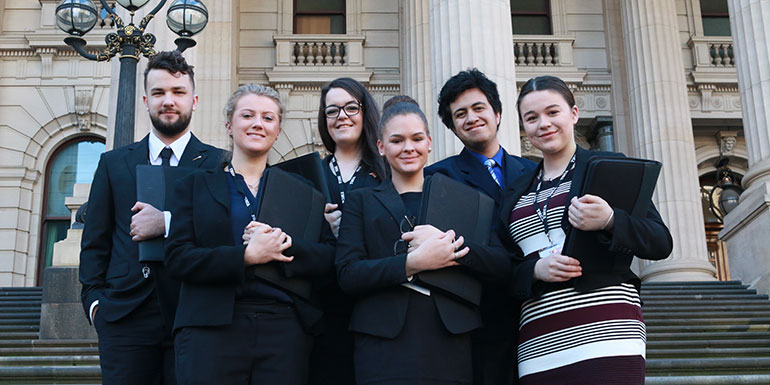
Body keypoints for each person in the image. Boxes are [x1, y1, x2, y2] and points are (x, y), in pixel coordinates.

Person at [503, 75, 673, 384]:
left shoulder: (610, 166)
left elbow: (660, 242)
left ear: (574, 114)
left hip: (607, 327)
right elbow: (504, 265)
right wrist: (535, 271)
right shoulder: (515, 192)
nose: (543, 123)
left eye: (553, 112)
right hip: (538, 336)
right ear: (524, 127)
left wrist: (611, 220)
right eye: (532, 117)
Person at [164, 84, 335, 385]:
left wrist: (285, 245)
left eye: (268, 118)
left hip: (284, 329)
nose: (258, 123)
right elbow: (178, 258)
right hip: (211, 329)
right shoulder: (194, 185)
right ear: (230, 125)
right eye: (248, 115)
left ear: (278, 129)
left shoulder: (302, 189)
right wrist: (244, 257)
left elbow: (328, 257)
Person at [335, 101, 510, 385]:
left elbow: (500, 265)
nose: (408, 148)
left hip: (450, 340)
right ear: (381, 146)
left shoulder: (464, 198)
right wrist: (411, 264)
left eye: (417, 139)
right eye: (397, 140)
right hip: (383, 344)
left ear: (429, 142)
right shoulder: (361, 200)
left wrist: (452, 249)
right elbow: (347, 274)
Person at [79, 50, 224, 385]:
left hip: (194, 315)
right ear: (145, 100)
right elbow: (95, 243)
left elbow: (222, 234)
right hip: (124, 318)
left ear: (195, 100)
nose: (168, 101)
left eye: (178, 92)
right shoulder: (114, 164)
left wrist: (167, 222)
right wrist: (96, 304)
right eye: (159, 93)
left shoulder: (218, 164)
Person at [425, 68, 537, 385]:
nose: (471, 118)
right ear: (452, 126)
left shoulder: (533, 171)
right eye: (460, 114)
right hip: (480, 318)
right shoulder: (438, 178)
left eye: (478, 108)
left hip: (538, 306)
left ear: (497, 113)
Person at [310, 78, 387, 385]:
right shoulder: (309, 176)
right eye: (332, 111)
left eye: (350, 107)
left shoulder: (387, 173)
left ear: (365, 112)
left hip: (375, 309)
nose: (341, 116)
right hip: (322, 311)